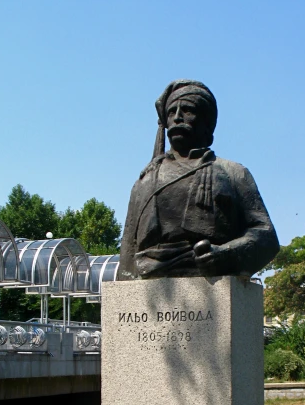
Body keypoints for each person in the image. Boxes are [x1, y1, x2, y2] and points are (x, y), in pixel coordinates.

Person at [118, 79, 280, 280]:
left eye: (187, 110)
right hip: (149, 285)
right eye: (171, 112)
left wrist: (227, 255)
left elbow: (267, 237)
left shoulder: (234, 173)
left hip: (210, 282)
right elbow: (127, 251)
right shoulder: (145, 181)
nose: (177, 117)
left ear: (206, 122)